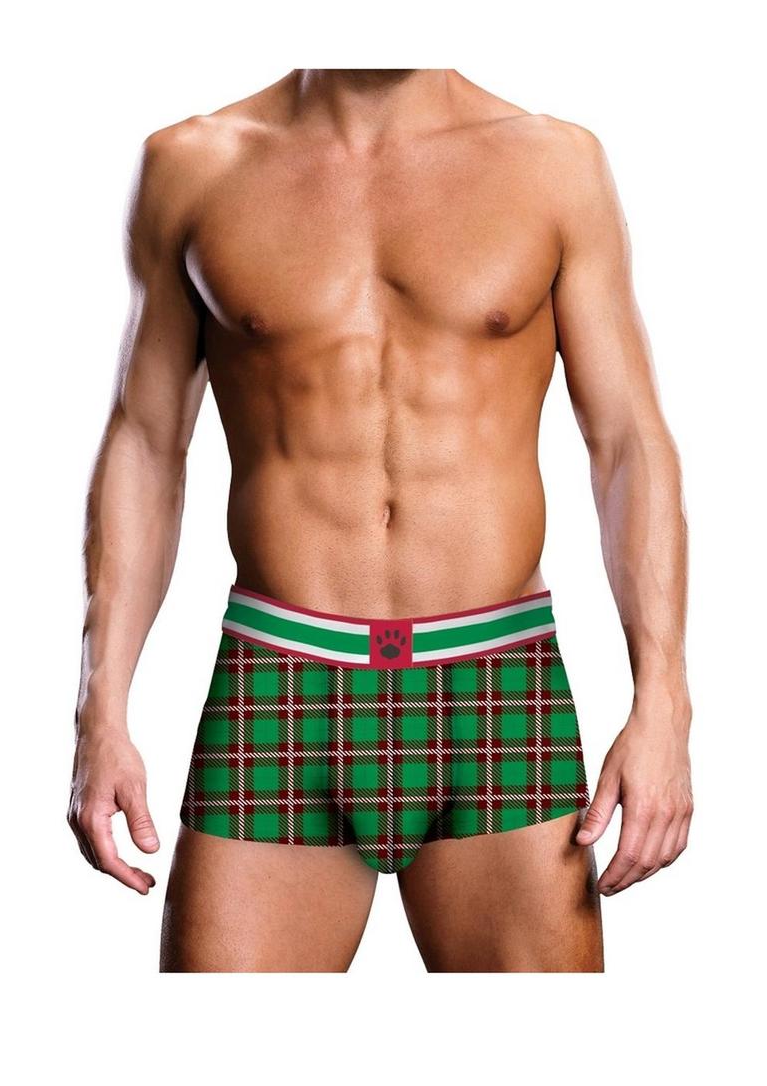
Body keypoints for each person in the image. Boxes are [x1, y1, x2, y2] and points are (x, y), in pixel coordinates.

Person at [68, 69, 694, 973]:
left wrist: (664, 700)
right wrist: (100, 708)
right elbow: (146, 440)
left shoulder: (552, 164)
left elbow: (628, 441)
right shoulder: (195, 165)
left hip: (494, 685)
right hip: (281, 677)